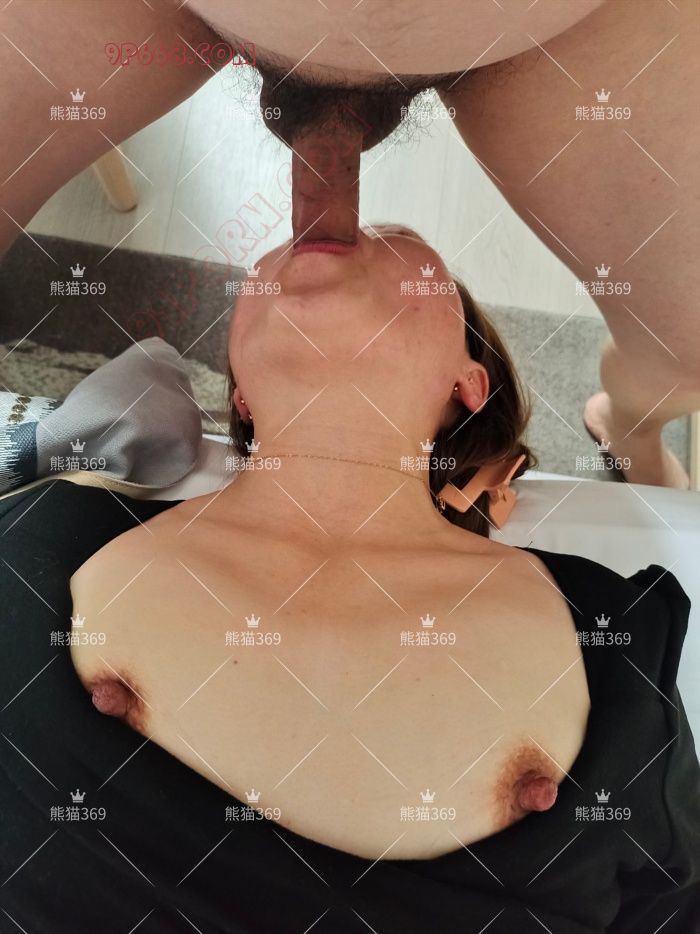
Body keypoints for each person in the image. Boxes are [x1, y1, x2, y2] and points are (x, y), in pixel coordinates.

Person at [1, 226, 698, 932]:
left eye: (394, 241)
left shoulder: (618, 629)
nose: (333, 234)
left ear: (469, 384)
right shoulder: (44, 535)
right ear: (241, 395)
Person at [1, 0, 698, 488]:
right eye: (397, 244)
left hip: (557, 22)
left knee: (690, 353)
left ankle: (627, 425)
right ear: (470, 384)